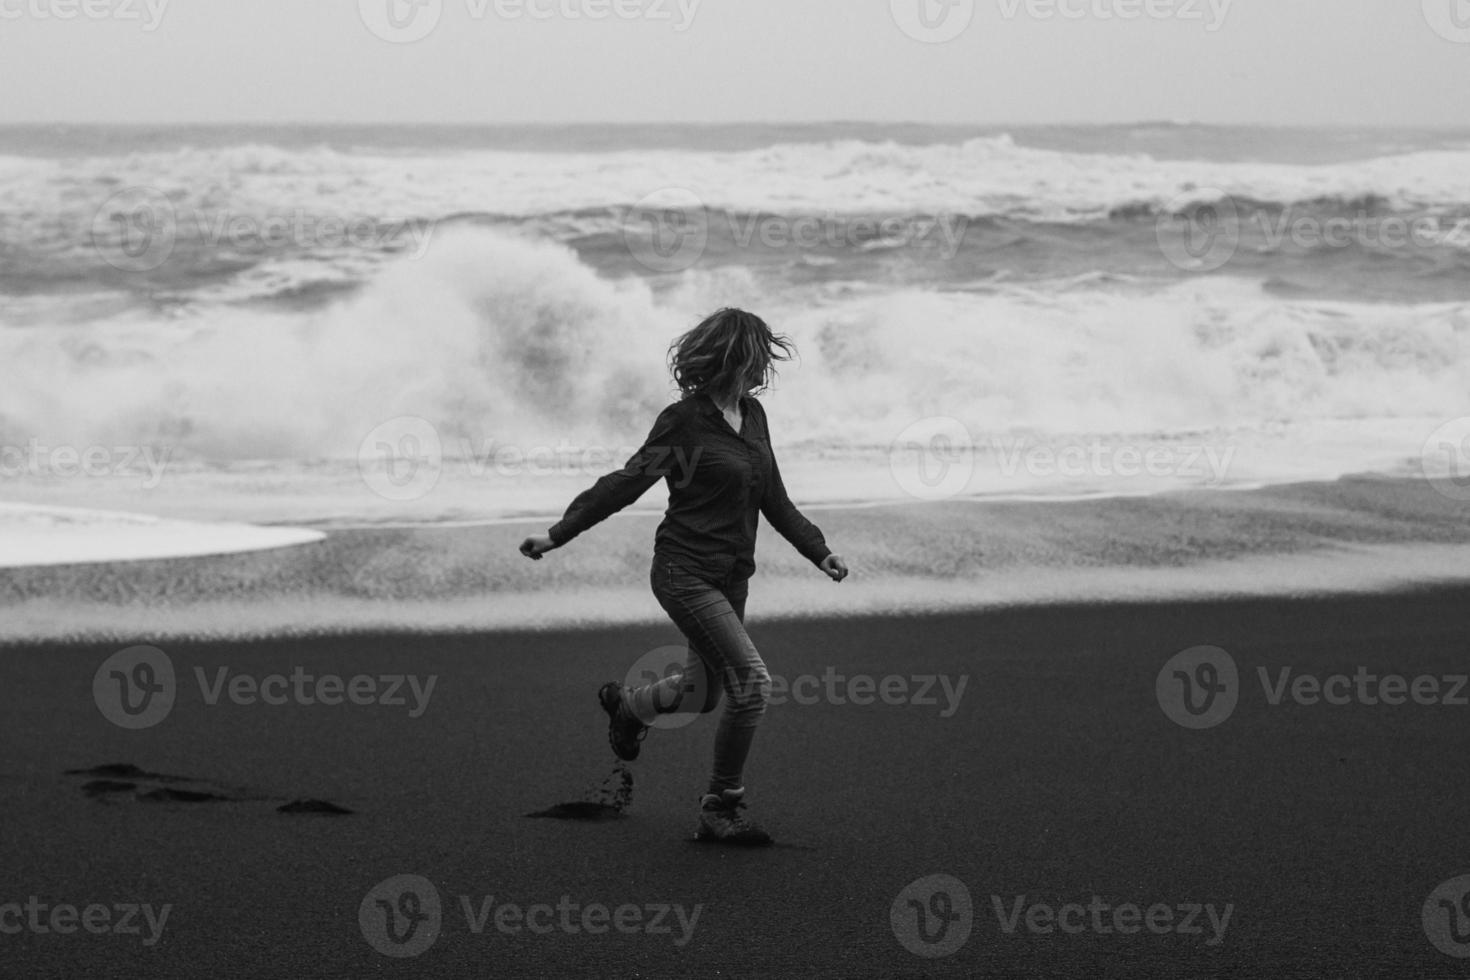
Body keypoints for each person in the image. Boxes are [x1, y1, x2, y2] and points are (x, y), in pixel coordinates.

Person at [519, 307, 848, 846]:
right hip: (683, 571)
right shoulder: (684, 421)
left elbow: (774, 498)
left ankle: (628, 705)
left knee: (702, 695)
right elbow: (626, 482)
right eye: (759, 352)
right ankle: (721, 805)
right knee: (752, 684)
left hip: (732, 576)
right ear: (736, 355)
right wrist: (559, 534)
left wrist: (819, 551)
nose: (765, 364)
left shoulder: (754, 415)